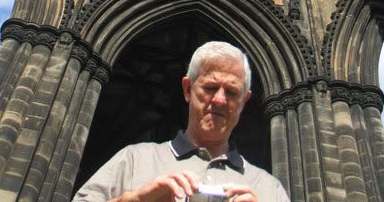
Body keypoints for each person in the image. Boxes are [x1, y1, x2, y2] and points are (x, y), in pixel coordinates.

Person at [74, 41, 290, 202]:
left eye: (232, 92)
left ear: (244, 101)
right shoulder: (133, 160)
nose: (219, 100)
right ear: (188, 89)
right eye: (210, 88)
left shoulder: (269, 188)